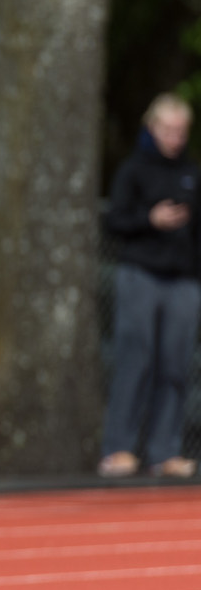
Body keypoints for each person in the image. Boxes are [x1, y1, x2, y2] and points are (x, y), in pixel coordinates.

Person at [98, 93, 201, 479]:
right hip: (141, 274)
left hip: (183, 281)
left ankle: (165, 451)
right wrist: (150, 219)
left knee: (175, 366)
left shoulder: (192, 173)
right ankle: (118, 449)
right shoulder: (133, 170)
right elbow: (114, 222)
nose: (175, 137)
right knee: (135, 359)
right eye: (169, 129)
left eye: (181, 131)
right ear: (152, 127)